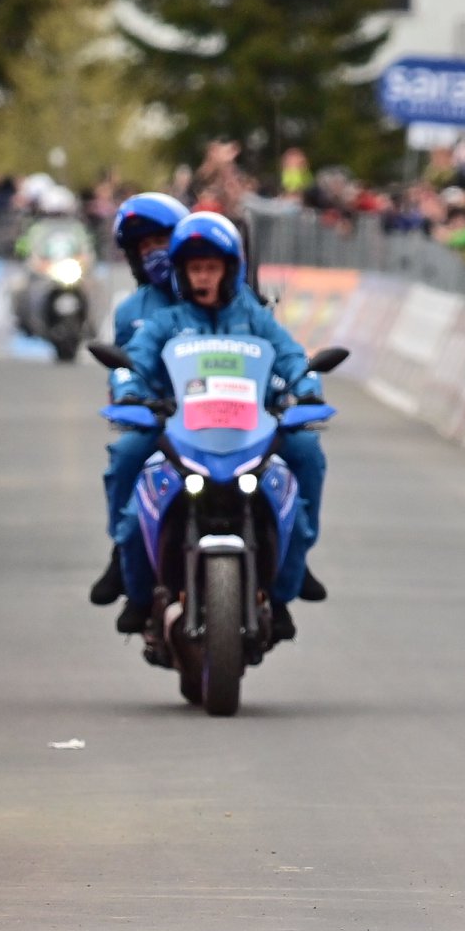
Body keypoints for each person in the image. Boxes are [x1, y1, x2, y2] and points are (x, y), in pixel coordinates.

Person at [110, 212, 328, 642]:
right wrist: (131, 392)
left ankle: (285, 588)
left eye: (211, 267)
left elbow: (290, 356)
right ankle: (135, 590)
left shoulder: (255, 313)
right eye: (195, 268)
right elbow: (135, 361)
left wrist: (307, 388)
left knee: (305, 455)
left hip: (253, 431)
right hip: (180, 431)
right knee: (130, 477)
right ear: (182, 273)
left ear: (230, 270)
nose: (203, 276)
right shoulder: (165, 320)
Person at [90, 193, 189, 608]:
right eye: (143, 246)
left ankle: (286, 567)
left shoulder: (220, 294)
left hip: (225, 417)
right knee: (126, 454)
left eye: (161, 240)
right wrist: (130, 393)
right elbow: (127, 362)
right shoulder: (131, 309)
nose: (154, 252)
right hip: (159, 418)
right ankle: (125, 555)